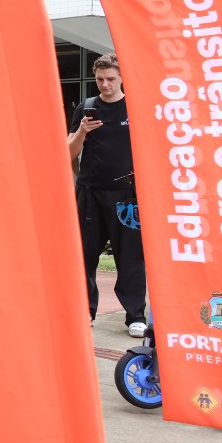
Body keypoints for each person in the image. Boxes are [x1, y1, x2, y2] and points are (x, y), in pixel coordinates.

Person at [68, 52, 147, 337]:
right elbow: (68, 154)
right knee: (83, 255)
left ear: (122, 77)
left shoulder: (135, 107)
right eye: (100, 79)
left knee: (130, 256)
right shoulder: (87, 109)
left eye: (111, 79)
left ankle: (135, 315)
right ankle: (85, 311)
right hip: (89, 193)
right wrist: (82, 133)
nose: (105, 84)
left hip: (127, 194)